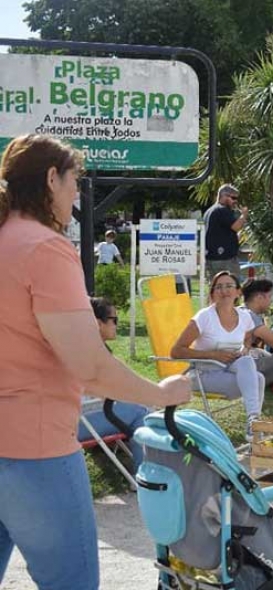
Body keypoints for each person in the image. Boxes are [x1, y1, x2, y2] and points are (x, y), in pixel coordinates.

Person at [0, 134, 191, 590]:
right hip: (36, 452)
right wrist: (161, 393)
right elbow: (92, 367)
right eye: (73, 182)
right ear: (51, 179)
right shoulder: (44, 249)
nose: (74, 195)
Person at [170, 271, 264, 435]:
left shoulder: (244, 317)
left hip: (230, 369)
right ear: (213, 293)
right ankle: (255, 428)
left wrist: (245, 348)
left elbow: (248, 337)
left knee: (250, 366)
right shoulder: (205, 317)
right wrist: (213, 354)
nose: (224, 291)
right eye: (218, 287)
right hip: (202, 374)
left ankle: (253, 423)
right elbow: (176, 351)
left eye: (229, 286)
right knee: (257, 380)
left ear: (238, 292)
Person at [78, 297, 150, 467]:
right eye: (114, 320)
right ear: (98, 323)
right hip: (78, 422)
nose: (117, 324)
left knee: (142, 407)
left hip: (79, 417)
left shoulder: (83, 348)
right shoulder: (91, 354)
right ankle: (144, 478)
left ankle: (145, 474)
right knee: (141, 412)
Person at [204, 184, 247, 279]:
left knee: (216, 289)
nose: (235, 201)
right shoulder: (222, 210)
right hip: (225, 260)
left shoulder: (209, 211)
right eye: (233, 197)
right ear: (223, 196)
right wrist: (244, 215)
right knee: (232, 287)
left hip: (211, 258)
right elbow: (236, 227)